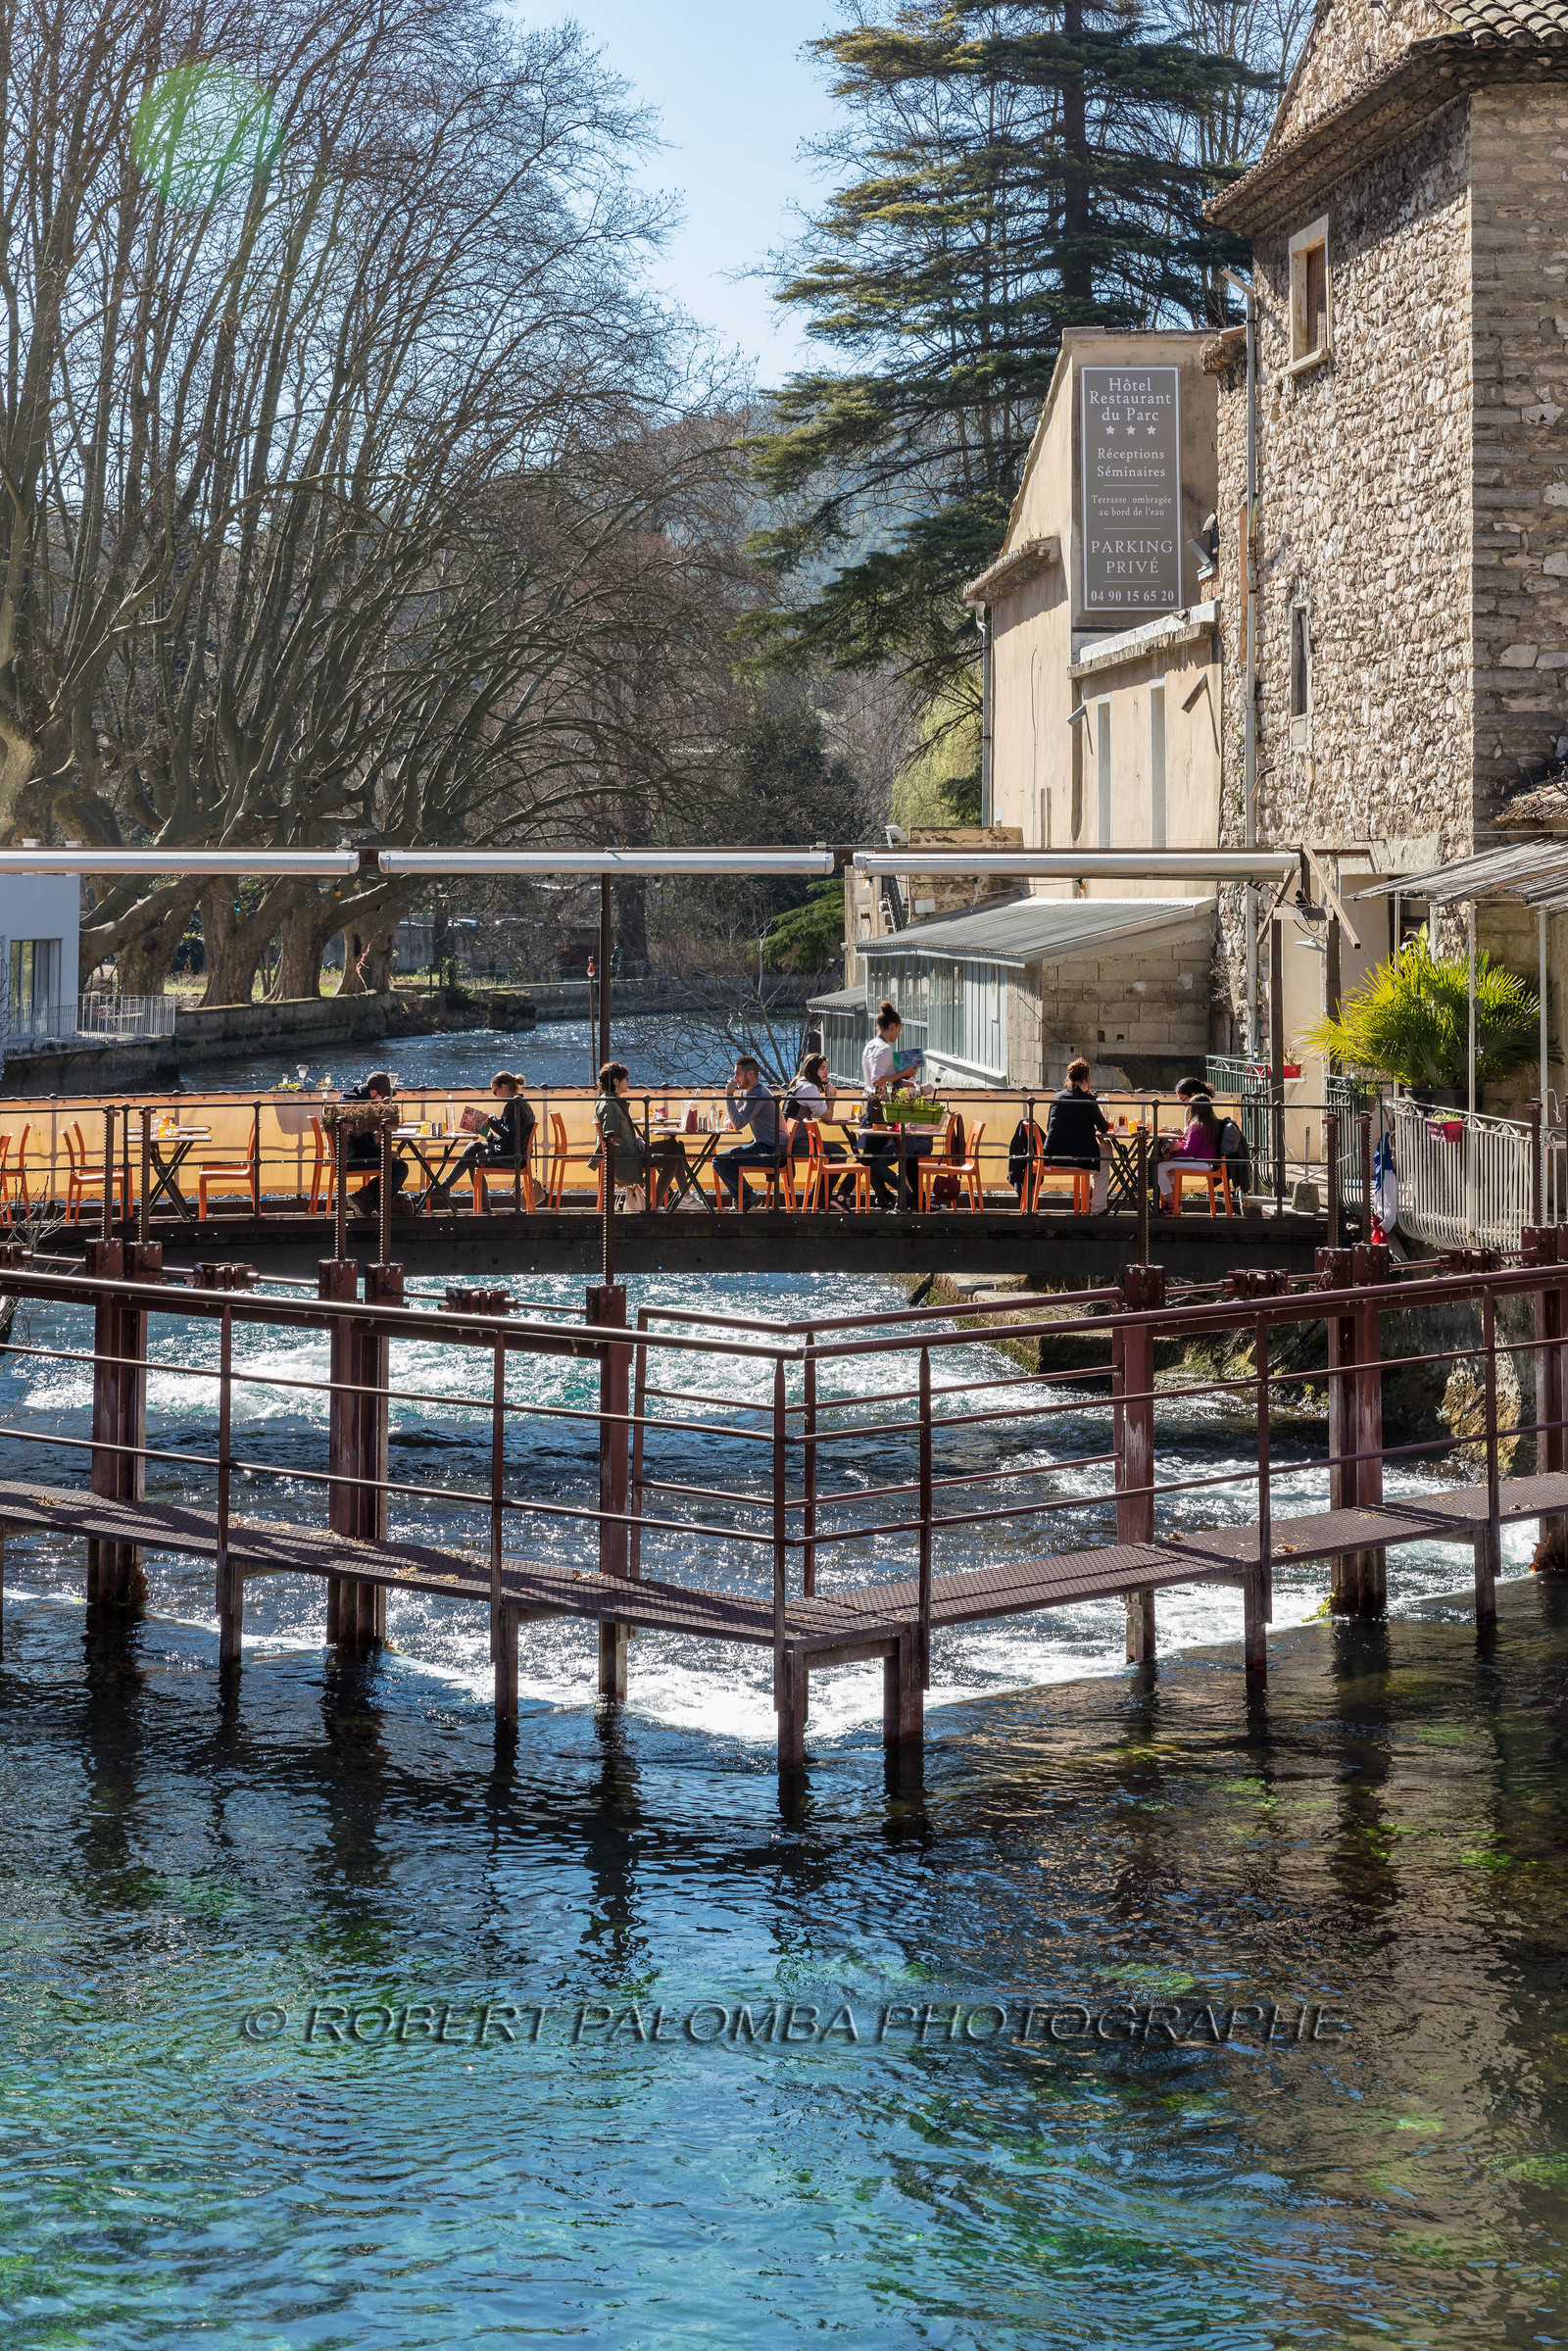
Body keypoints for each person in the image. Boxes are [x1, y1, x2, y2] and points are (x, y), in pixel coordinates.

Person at [428, 1071, 536, 1209]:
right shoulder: (522, 1103)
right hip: (514, 1152)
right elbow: (510, 1138)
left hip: (512, 1157)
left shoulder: (512, 1106)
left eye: (495, 1092)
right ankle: (446, 1188)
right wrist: (490, 1136)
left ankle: (450, 1190)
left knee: (474, 1158)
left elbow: (510, 1135)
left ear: (503, 1087)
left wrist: (492, 1121)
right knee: (473, 1146)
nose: (495, 1096)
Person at [858, 1001, 928, 1208]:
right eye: (898, 1031)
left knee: (875, 1157)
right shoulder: (885, 1049)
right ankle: (911, 1198)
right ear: (893, 1026)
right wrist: (905, 1073)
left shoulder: (870, 1045)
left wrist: (907, 1080)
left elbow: (883, 1078)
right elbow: (878, 1080)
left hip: (873, 1105)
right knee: (878, 1157)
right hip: (882, 1108)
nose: (898, 1036)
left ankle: (905, 1198)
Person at [591, 1063, 689, 1208]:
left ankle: (685, 1196)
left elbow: (615, 1134)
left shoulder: (609, 1101)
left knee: (673, 1146)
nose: (628, 1082)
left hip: (631, 1149)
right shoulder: (610, 1106)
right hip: (627, 1157)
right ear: (616, 1081)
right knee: (672, 1160)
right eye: (626, 1079)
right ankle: (655, 1205)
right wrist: (633, 1144)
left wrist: (636, 1139)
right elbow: (610, 1138)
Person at [1035, 1058, 1113, 1212]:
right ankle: (1098, 1209)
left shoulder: (1057, 1098)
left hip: (1053, 1157)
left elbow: (1049, 1127)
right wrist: (1092, 1101)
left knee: (1097, 1157)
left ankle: (1090, 1197)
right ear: (1088, 1079)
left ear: (1069, 1078)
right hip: (1079, 1158)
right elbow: (1104, 1128)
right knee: (1107, 1152)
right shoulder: (1088, 1100)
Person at [715, 1054, 783, 1209]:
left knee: (720, 1161)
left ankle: (749, 1199)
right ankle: (745, 1200)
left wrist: (729, 1095)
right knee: (722, 1161)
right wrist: (736, 1098)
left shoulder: (757, 1094)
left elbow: (738, 1124)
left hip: (772, 1150)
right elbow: (730, 1122)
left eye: (738, 1073)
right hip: (763, 1145)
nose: (735, 1078)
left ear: (750, 1074)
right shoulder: (749, 1093)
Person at [785, 1051, 851, 1208]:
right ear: (812, 1070)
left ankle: (820, 1197)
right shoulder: (808, 1088)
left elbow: (819, 1113)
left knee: (836, 1152)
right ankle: (820, 1198)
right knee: (839, 1153)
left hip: (790, 1139)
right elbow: (826, 1116)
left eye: (827, 1068)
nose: (826, 1072)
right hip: (795, 1142)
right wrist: (831, 1099)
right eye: (822, 1068)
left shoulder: (800, 1083)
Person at [337, 1069, 408, 1218]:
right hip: (352, 1159)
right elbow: (361, 1146)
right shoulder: (359, 1106)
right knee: (400, 1167)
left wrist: (374, 1138)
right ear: (374, 1092)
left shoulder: (351, 1097)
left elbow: (359, 1140)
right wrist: (386, 1153)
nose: (381, 1102)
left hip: (347, 1153)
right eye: (382, 1097)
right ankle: (373, 1206)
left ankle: (364, 1198)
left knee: (395, 1164)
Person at [1156, 1093, 1223, 1207]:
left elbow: (1189, 1150)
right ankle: (1175, 1202)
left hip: (1199, 1162)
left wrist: (1173, 1152)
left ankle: (1170, 1203)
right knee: (1169, 1167)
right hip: (1207, 1162)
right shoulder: (1213, 1124)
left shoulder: (1196, 1125)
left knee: (1161, 1167)